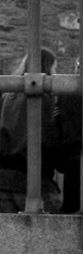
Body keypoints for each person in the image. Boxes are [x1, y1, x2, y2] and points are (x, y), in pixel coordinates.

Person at [0, 47, 61, 212]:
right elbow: (52, 140)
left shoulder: (7, 98)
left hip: (4, 180)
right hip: (37, 180)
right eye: (54, 68)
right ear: (47, 69)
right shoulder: (49, 101)